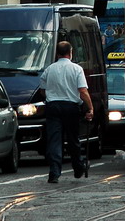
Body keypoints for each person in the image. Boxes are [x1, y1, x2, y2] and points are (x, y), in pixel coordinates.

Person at [40, 41, 94, 184]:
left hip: (53, 106)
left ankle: (54, 172)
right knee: (73, 139)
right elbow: (83, 91)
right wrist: (90, 108)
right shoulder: (77, 69)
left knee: (54, 140)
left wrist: (52, 98)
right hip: (71, 107)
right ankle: (78, 167)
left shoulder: (49, 70)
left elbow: (43, 90)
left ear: (57, 53)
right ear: (71, 53)